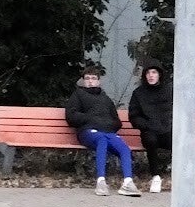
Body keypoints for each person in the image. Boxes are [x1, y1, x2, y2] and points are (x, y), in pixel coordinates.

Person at [64, 65, 141, 196]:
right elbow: (71, 116)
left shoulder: (106, 99)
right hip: (88, 132)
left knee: (124, 148)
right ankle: (101, 182)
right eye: (87, 78)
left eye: (93, 78)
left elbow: (116, 121)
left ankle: (128, 182)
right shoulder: (78, 95)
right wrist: (91, 120)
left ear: (99, 81)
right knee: (102, 140)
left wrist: (107, 124)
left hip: (108, 132)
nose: (90, 81)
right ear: (83, 81)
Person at [128, 59, 171, 193]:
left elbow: (178, 111)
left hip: (167, 130)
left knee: (180, 142)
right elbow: (134, 116)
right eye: (148, 73)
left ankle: (183, 176)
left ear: (159, 75)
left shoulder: (169, 91)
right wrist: (146, 125)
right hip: (149, 131)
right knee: (150, 141)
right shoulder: (138, 93)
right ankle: (156, 177)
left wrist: (171, 124)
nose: (151, 75)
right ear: (144, 75)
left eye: (154, 72)